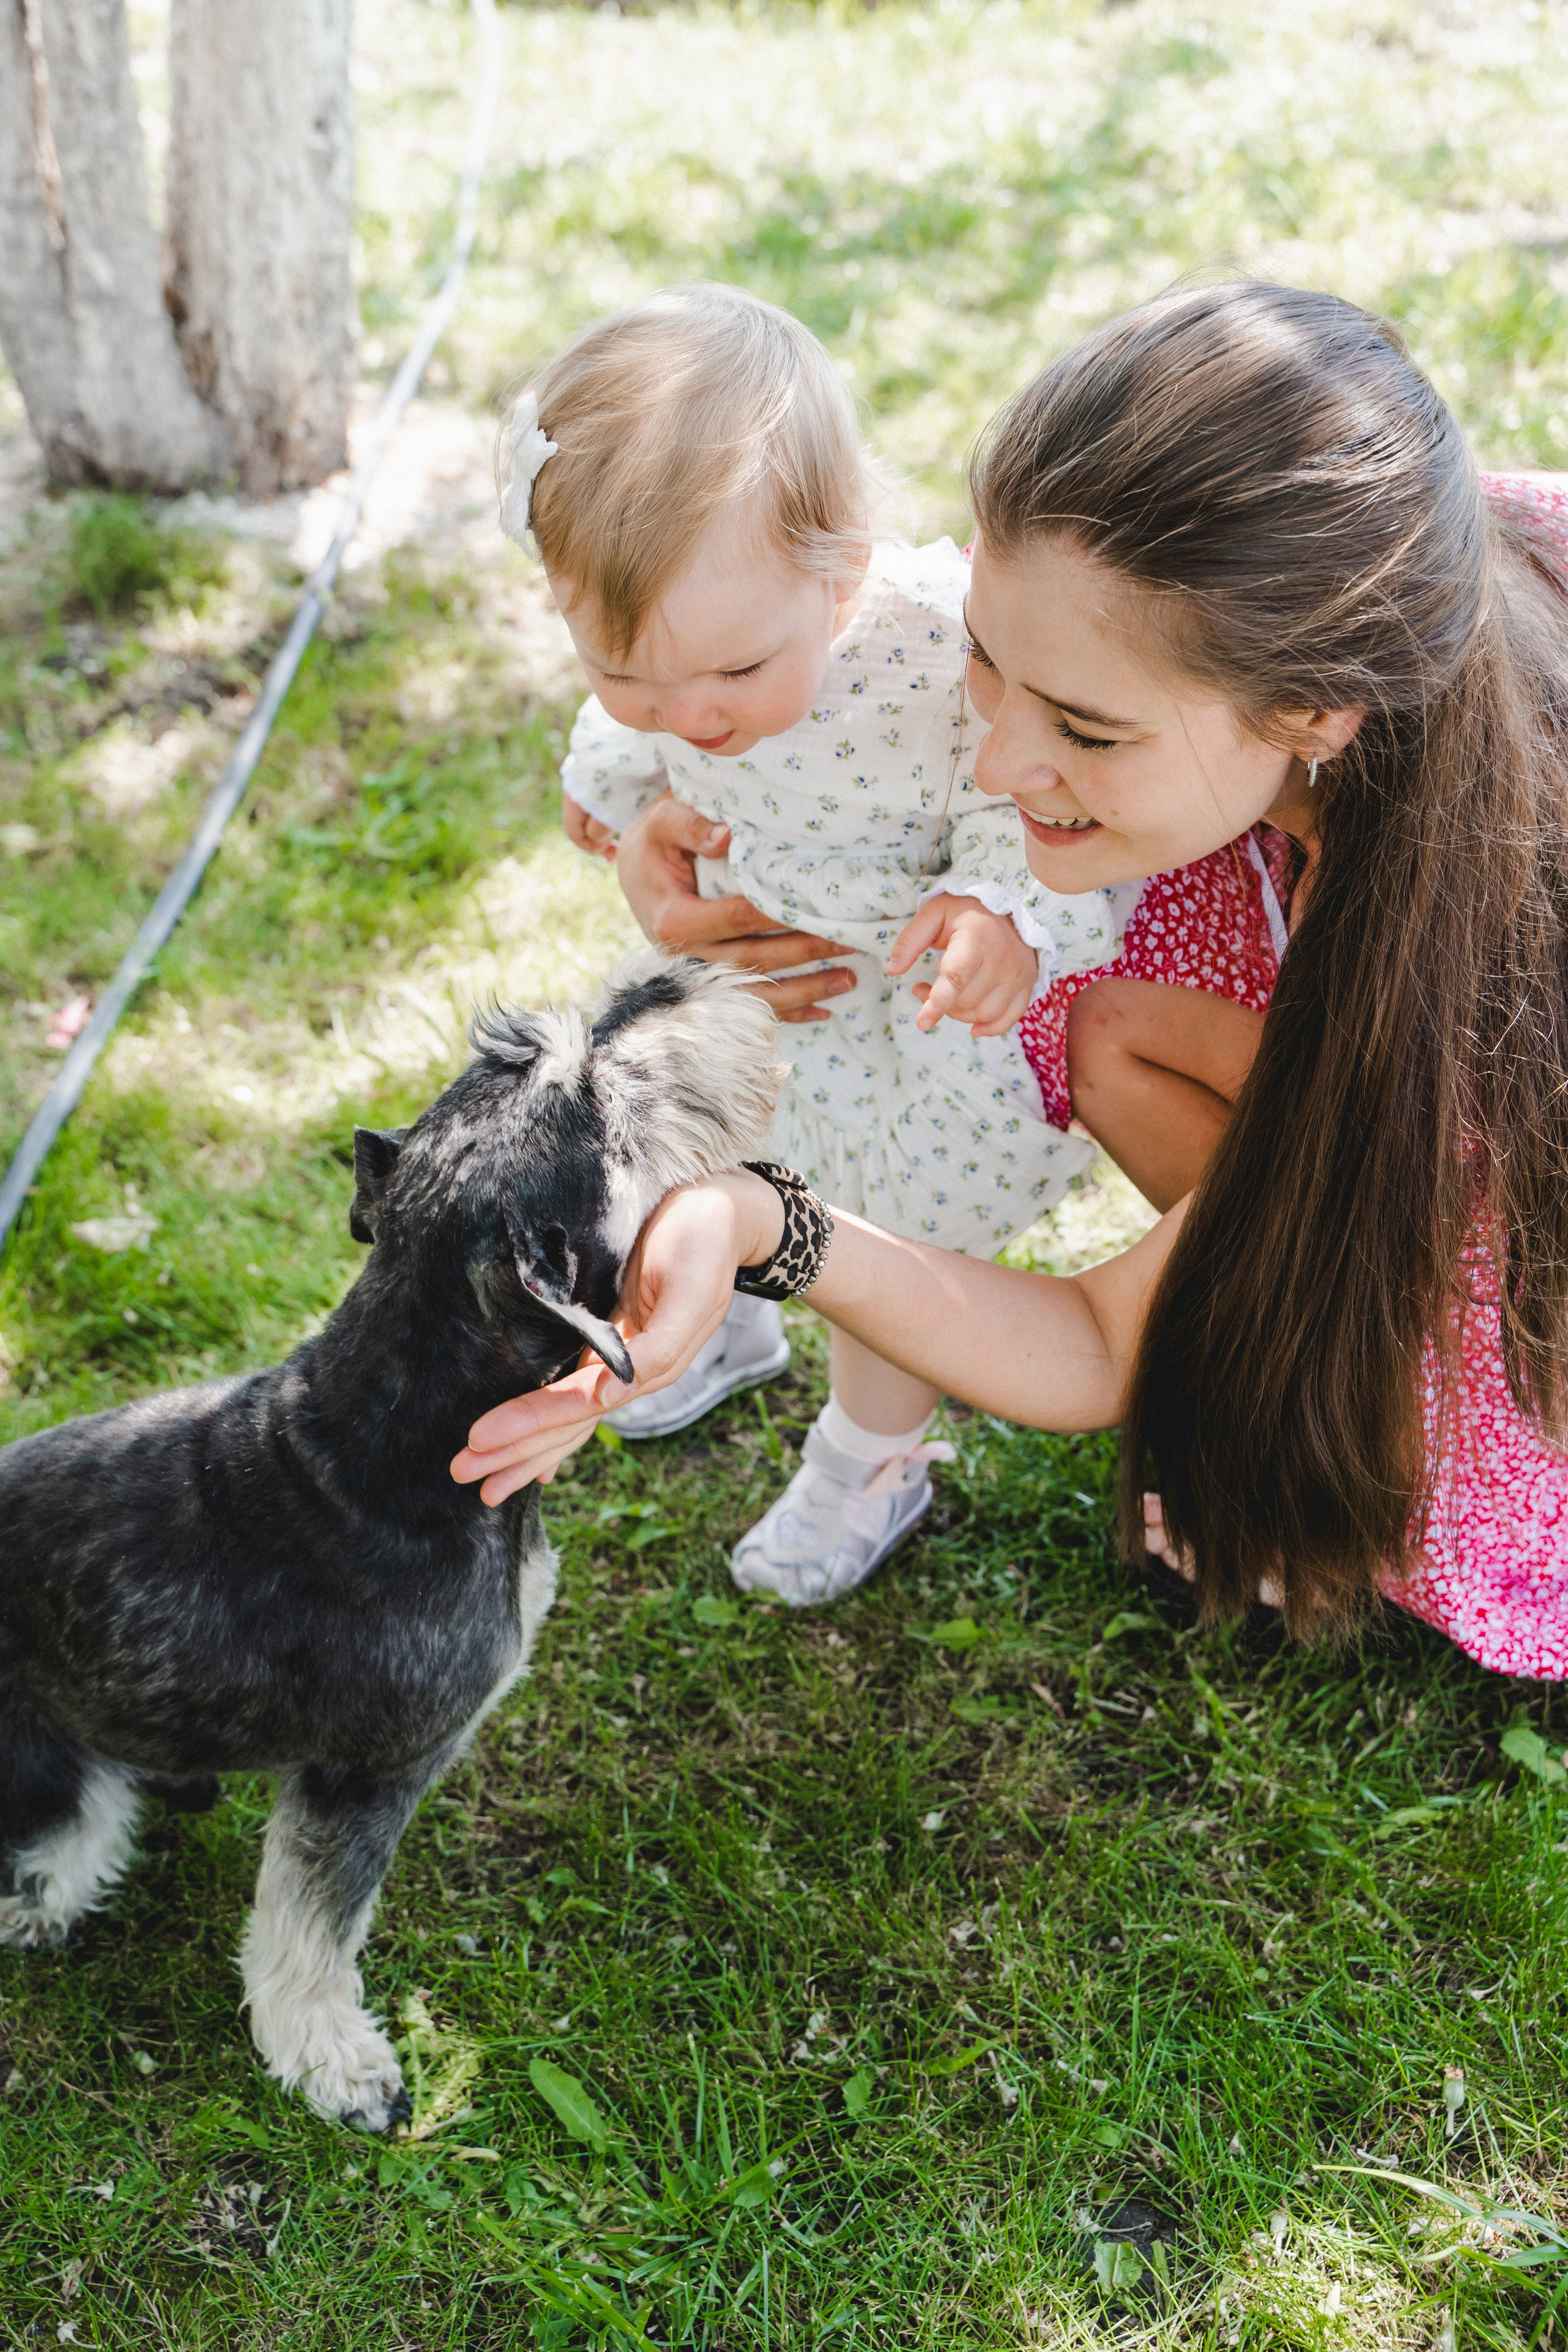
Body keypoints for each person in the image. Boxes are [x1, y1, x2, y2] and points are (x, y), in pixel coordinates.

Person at [459, 282, 1568, 1683]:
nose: (991, 770)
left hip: (1501, 1203)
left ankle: (1372, 1394)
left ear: (1310, 712)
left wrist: (763, 1224)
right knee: (1086, 1005)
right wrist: (674, 850)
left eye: (1085, 730)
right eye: (985, 662)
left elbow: (1095, 1342)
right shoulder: (1306, 607)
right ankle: (1291, 1312)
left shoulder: (1469, 1000)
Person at [503, 281, 1146, 1606]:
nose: (691, 713)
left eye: (735, 676)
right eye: (623, 668)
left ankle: (870, 1452)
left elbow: (1022, 798)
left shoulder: (933, 656)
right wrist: (617, 787)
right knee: (701, 1140)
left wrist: (997, 912)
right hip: (781, 992)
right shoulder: (684, 666)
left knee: (878, 1241)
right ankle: (726, 1322)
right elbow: (636, 738)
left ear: (839, 575)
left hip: (937, 1016)